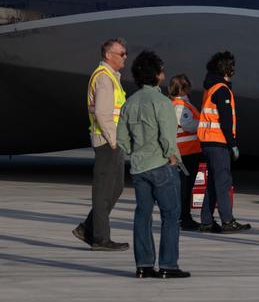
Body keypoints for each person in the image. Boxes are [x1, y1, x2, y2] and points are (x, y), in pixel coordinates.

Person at [117, 50, 190, 279]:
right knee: (171, 214)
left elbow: (121, 139)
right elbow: (168, 136)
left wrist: (135, 152)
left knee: (143, 215)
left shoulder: (130, 102)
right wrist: (171, 156)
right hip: (161, 165)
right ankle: (168, 265)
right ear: (157, 74)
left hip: (139, 167)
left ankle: (144, 265)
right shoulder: (162, 102)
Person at [74, 38, 130, 251]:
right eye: (122, 53)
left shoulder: (111, 76)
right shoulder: (104, 78)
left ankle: (88, 228)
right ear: (108, 55)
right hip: (107, 140)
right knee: (104, 190)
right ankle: (100, 238)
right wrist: (113, 141)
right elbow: (102, 113)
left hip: (112, 140)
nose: (125, 57)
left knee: (115, 187)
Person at [197, 51, 250, 233]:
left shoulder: (210, 88)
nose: (234, 69)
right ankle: (227, 220)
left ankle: (206, 221)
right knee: (223, 182)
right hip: (218, 142)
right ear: (226, 68)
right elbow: (226, 121)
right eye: (232, 66)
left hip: (208, 142)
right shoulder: (222, 90)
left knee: (213, 182)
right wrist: (232, 144)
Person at [169, 74, 203, 230]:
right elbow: (187, 124)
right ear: (184, 88)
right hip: (186, 153)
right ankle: (184, 217)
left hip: (186, 152)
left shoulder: (177, 103)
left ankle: (183, 216)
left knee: (184, 186)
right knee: (185, 187)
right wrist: (203, 123)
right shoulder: (180, 106)